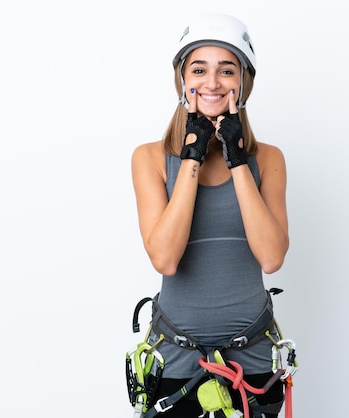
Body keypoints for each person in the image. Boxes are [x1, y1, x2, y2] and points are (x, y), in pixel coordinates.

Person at [130, 12, 290, 418]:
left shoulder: (267, 160)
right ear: (183, 80)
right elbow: (164, 258)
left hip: (252, 365)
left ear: (244, 82)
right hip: (174, 364)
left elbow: (272, 258)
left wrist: (237, 159)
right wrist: (192, 155)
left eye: (227, 70)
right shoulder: (149, 159)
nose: (213, 82)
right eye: (199, 69)